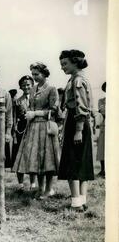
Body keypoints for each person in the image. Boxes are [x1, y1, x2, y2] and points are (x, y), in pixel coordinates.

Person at [12, 62, 60, 200]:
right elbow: (30, 107)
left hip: (46, 127)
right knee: (37, 159)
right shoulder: (32, 89)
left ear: (44, 73)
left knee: (48, 159)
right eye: (33, 74)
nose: (34, 77)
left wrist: (36, 113)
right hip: (33, 128)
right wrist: (29, 113)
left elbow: (54, 110)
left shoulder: (51, 89)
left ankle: (49, 189)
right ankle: (40, 188)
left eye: (37, 74)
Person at [58, 50, 94, 211]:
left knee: (73, 162)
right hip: (79, 121)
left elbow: (81, 106)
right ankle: (81, 201)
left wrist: (78, 130)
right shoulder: (77, 78)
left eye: (65, 63)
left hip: (77, 121)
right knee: (81, 162)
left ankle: (76, 203)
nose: (62, 67)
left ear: (75, 62)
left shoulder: (77, 81)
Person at [12, 75, 36, 190]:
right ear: (20, 87)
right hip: (21, 129)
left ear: (32, 85)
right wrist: (14, 133)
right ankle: (20, 185)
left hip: (34, 127)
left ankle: (33, 184)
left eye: (28, 85)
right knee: (19, 156)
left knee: (33, 156)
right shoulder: (17, 101)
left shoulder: (36, 98)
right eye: (24, 85)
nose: (26, 87)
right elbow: (14, 117)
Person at [96, 82, 106, 178]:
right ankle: (103, 169)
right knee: (102, 148)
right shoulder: (101, 101)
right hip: (105, 125)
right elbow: (102, 113)